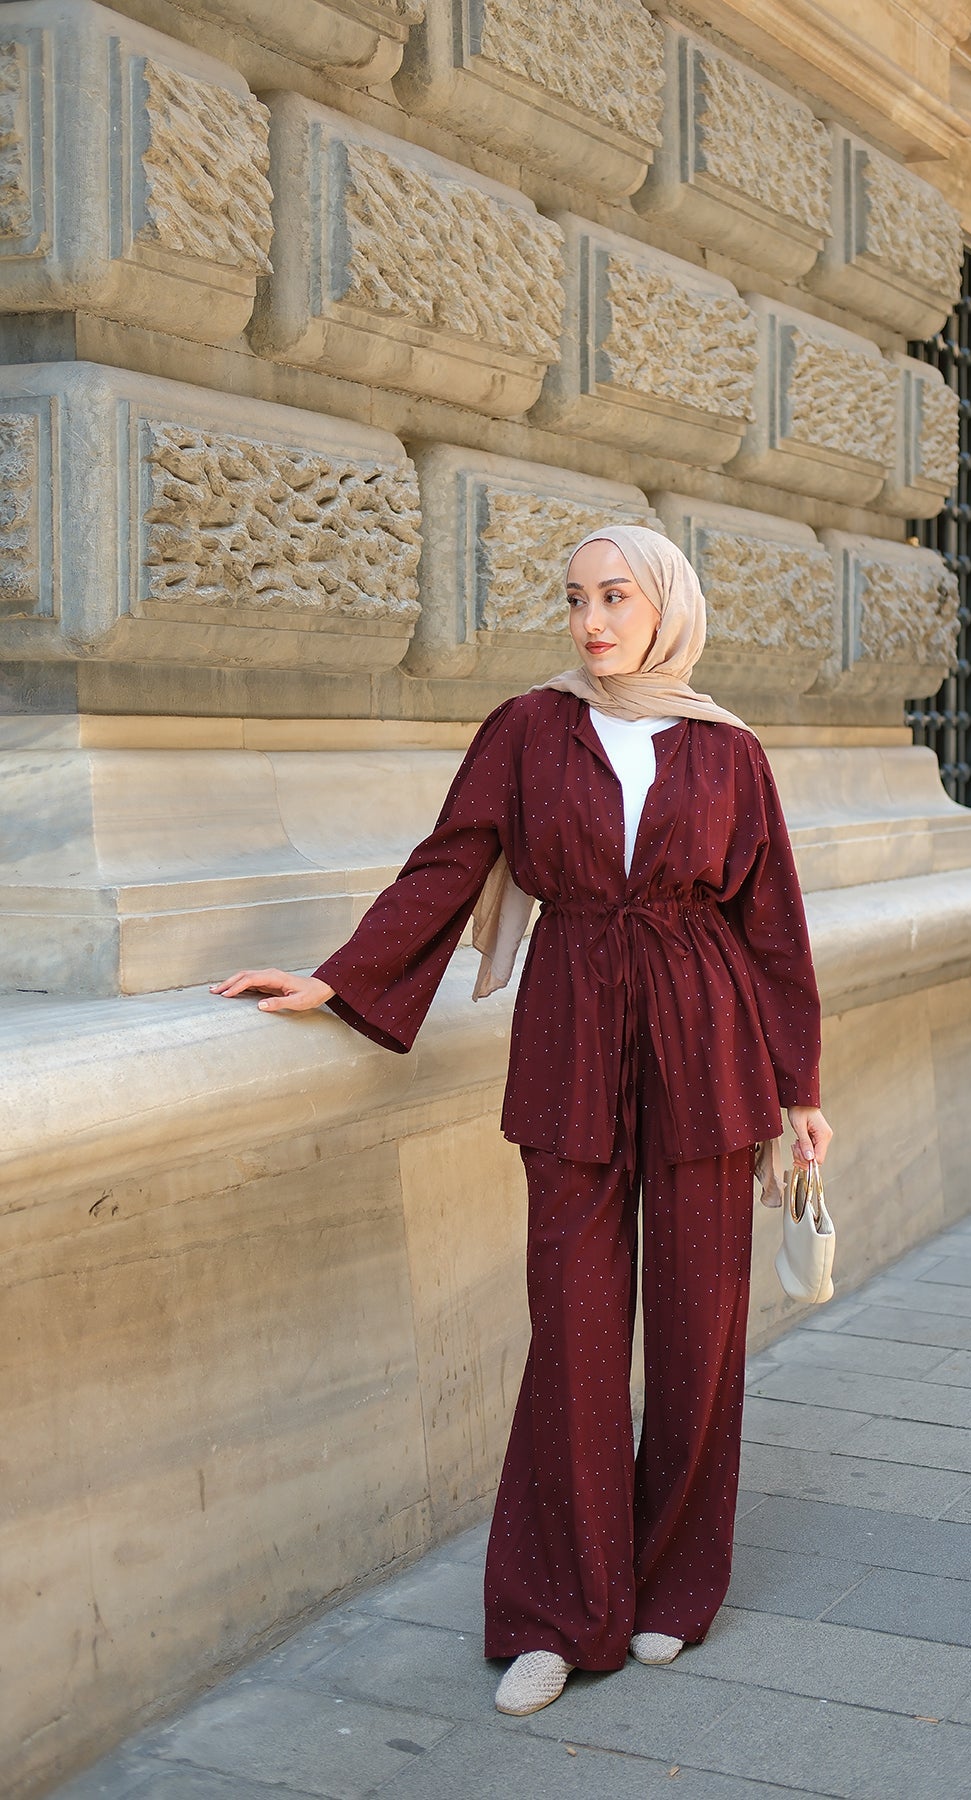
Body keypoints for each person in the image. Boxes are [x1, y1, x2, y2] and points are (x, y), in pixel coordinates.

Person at [212, 524, 831, 1718]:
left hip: (708, 1048)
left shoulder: (727, 753)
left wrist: (798, 1091)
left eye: (615, 596)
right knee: (576, 1328)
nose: (592, 621)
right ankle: (559, 1609)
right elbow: (448, 865)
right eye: (575, 599)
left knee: (701, 1326)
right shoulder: (528, 729)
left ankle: (670, 1587)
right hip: (575, 1038)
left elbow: (774, 928)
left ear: (665, 607)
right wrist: (339, 977)